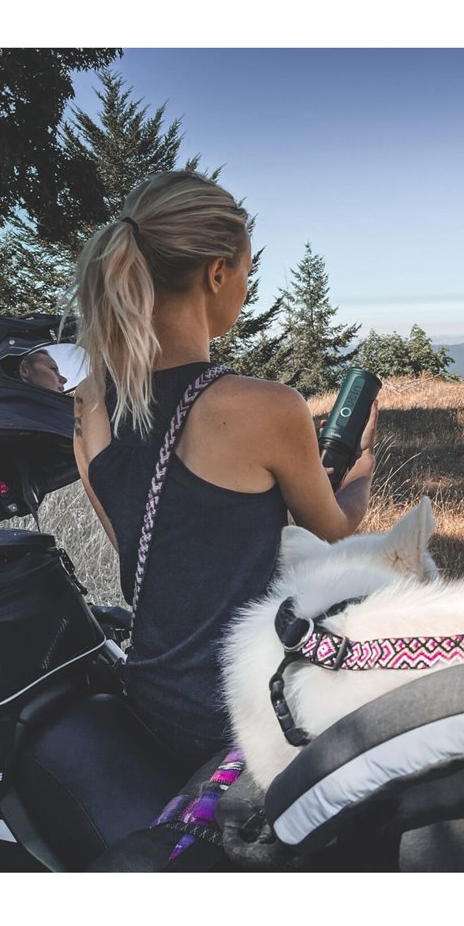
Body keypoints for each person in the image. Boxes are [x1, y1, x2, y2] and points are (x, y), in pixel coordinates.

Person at [69, 170, 376, 768]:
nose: (244, 285)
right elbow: (335, 532)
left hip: (153, 698)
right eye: (246, 271)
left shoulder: (92, 405)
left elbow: (145, 545)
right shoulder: (264, 407)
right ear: (217, 272)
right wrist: (361, 463)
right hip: (238, 714)